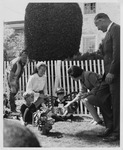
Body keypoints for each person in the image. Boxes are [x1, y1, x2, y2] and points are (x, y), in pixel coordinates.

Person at [94, 13, 120, 142]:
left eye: (97, 24)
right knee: (100, 95)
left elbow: (118, 53)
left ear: (101, 19)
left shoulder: (116, 29)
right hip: (107, 75)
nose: (97, 28)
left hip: (115, 74)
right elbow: (109, 54)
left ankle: (117, 132)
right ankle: (109, 125)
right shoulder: (108, 33)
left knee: (116, 103)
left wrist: (112, 72)